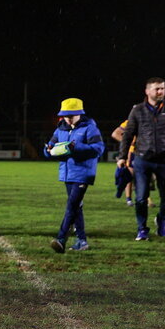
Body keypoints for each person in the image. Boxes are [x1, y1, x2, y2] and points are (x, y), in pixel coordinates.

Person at [116, 77, 165, 241]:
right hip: (143, 160)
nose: (160, 92)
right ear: (147, 91)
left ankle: (161, 221)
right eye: (157, 89)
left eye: (163, 88)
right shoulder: (138, 110)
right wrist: (122, 156)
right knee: (141, 197)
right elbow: (128, 135)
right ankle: (142, 228)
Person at [44, 98, 105, 253]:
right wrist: (48, 150)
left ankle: (61, 238)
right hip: (67, 173)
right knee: (76, 207)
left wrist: (75, 147)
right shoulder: (60, 129)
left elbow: (98, 149)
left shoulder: (90, 128)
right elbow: (49, 146)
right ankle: (82, 241)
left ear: (80, 114)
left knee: (72, 205)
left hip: (83, 173)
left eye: (72, 115)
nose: (68, 118)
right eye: (66, 115)